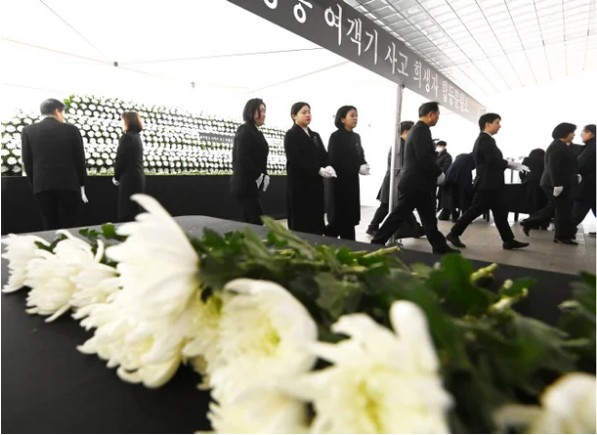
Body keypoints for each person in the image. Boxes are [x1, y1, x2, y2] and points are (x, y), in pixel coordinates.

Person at [371, 101, 459, 254]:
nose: (438, 118)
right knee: (399, 215)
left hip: (420, 184)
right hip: (415, 184)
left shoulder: (420, 130)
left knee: (428, 218)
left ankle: (439, 246)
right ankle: (377, 241)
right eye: (437, 115)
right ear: (431, 114)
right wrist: (438, 172)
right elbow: (424, 157)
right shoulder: (420, 130)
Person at [446, 113, 529, 250]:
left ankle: (508, 240)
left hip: (491, 184)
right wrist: (511, 164)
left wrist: (511, 165)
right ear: (487, 124)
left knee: (499, 212)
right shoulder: (485, 140)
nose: (499, 126)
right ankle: (453, 233)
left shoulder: (486, 139)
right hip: (487, 184)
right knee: (475, 210)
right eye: (497, 122)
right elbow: (492, 160)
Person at [21, 98, 88, 230]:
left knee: (49, 224)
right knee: (69, 224)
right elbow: (79, 159)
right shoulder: (72, 130)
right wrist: (82, 184)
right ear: (57, 111)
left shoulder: (28, 130)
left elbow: (27, 161)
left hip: (42, 185)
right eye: (63, 113)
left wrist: (34, 183)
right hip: (69, 184)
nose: (63, 116)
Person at [366, 120, 424, 239]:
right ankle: (372, 227)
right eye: (412, 131)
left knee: (398, 206)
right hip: (394, 180)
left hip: (396, 179)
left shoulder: (401, 144)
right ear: (405, 132)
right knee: (389, 206)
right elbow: (403, 165)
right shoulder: (400, 145)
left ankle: (417, 229)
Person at [284, 102, 334, 235]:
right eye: (304, 112)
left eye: (309, 112)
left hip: (315, 184)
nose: (308, 115)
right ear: (294, 116)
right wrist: (317, 170)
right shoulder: (291, 135)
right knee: (301, 220)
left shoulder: (315, 135)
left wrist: (328, 165)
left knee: (316, 218)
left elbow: (324, 155)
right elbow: (296, 160)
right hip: (300, 185)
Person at [325, 105, 368, 240]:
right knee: (338, 221)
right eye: (352, 115)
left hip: (352, 183)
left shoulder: (356, 137)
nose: (355, 118)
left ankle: (349, 246)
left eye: (356, 115)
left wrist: (364, 164)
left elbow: (360, 155)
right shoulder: (335, 137)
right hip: (339, 184)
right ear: (342, 119)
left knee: (349, 220)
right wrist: (357, 168)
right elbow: (335, 161)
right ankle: (323, 243)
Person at [537, 123, 579, 244]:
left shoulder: (561, 145)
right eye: (572, 132)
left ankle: (562, 235)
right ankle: (562, 236)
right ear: (565, 133)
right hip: (554, 183)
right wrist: (557, 184)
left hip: (558, 183)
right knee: (562, 210)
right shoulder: (556, 146)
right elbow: (553, 167)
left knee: (561, 209)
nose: (574, 135)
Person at [230, 98, 269, 225]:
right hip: (245, 185)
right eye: (261, 111)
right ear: (251, 111)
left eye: (264, 111)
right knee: (256, 220)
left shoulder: (256, 132)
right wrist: (260, 175)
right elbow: (242, 158)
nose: (264, 114)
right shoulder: (245, 130)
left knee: (249, 222)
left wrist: (264, 175)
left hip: (252, 186)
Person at [113, 111, 146, 222]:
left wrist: (116, 176)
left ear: (127, 122)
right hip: (138, 177)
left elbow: (120, 159)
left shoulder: (126, 137)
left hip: (128, 179)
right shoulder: (137, 137)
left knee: (126, 211)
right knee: (135, 210)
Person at [572, 124, 596, 235]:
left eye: (583, 132)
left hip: (589, 186)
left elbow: (582, 165)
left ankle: (565, 231)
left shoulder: (592, 147)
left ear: (590, 133)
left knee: (577, 211)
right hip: (592, 186)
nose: (581, 135)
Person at [439, 153, 475, 222]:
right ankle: (464, 216)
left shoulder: (461, 156)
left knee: (451, 196)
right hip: (462, 175)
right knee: (464, 196)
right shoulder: (473, 159)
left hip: (450, 174)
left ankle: (453, 216)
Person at [519, 148, 548, 215]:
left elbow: (521, 171)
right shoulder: (544, 160)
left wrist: (523, 180)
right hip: (541, 182)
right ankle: (539, 215)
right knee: (541, 201)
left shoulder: (527, 159)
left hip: (529, 182)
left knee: (531, 201)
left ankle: (532, 215)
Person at [435, 140, 453, 220]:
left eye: (441, 146)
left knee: (440, 194)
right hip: (434, 176)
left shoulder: (447, 156)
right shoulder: (436, 155)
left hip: (441, 177)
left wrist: (436, 171)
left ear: (444, 147)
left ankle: (440, 209)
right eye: (438, 146)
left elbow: (445, 168)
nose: (439, 147)